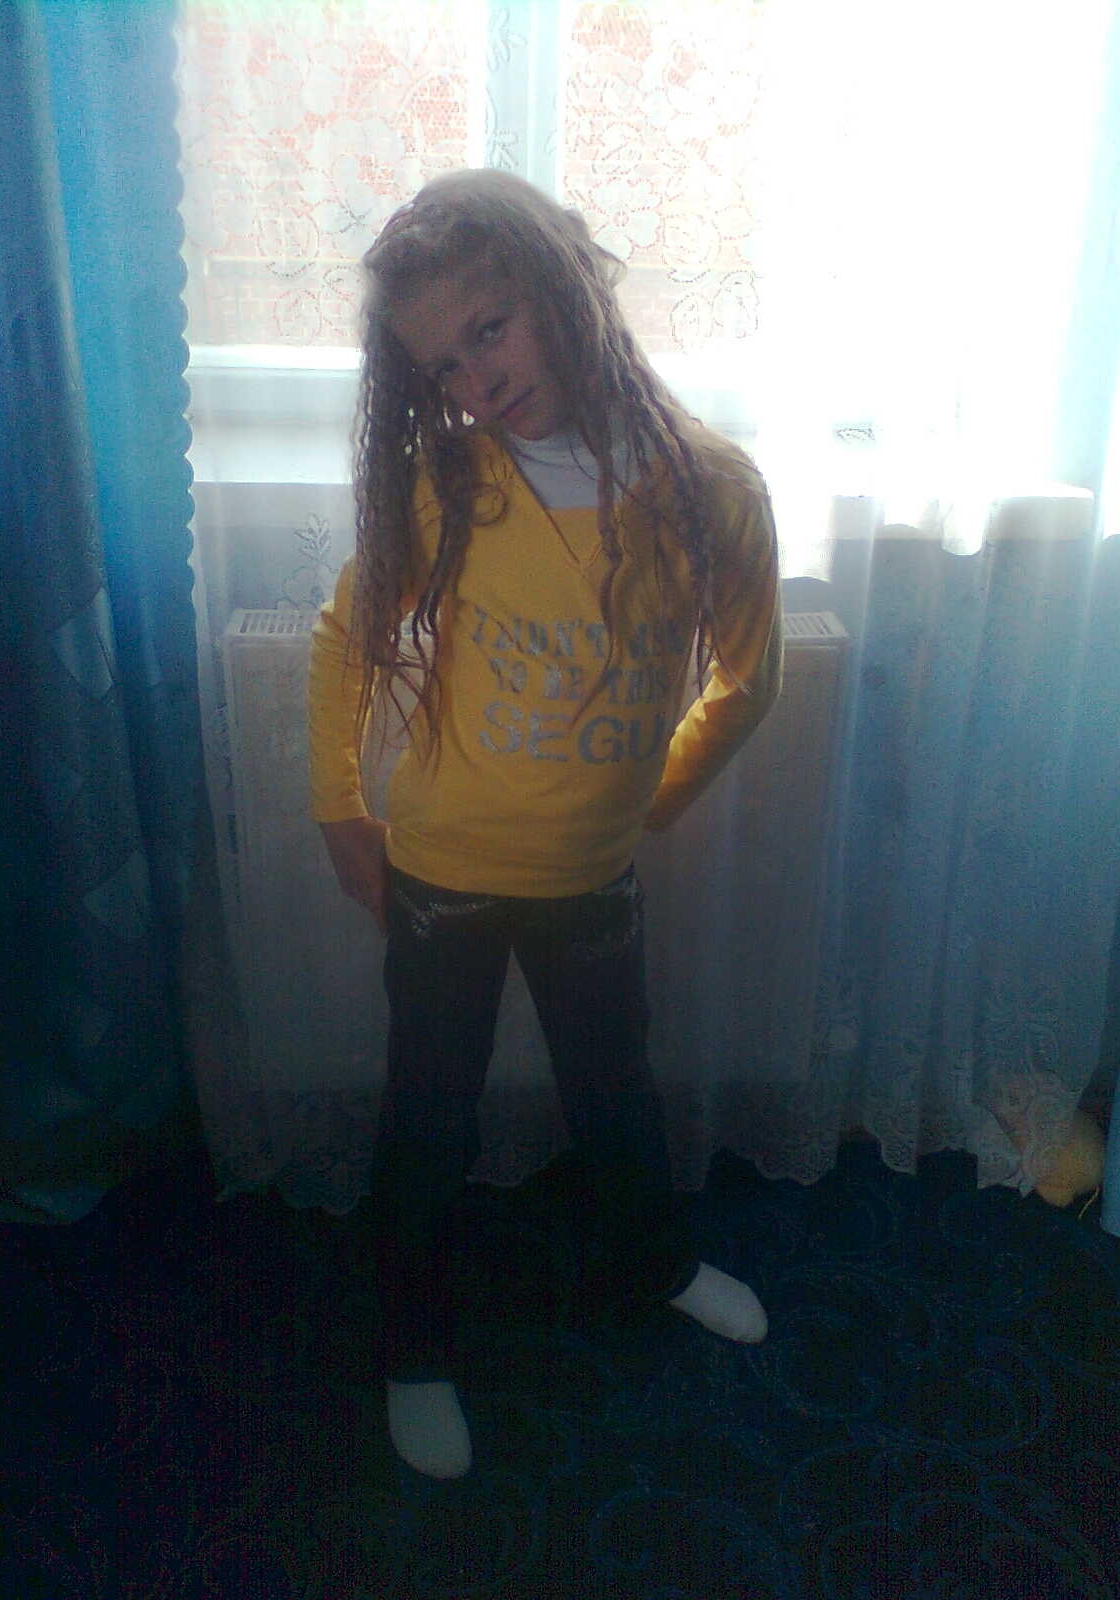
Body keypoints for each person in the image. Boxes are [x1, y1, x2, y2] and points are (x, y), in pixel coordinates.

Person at [308, 169, 783, 1480]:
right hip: (444, 874)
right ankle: (413, 1342)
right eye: (444, 365)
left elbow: (751, 679)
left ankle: (656, 1261)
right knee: (431, 1114)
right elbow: (349, 637)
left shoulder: (713, 489)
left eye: (491, 329)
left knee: (614, 1089)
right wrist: (339, 803)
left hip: (592, 878)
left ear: (564, 287)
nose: (476, 379)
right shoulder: (449, 485)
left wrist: (653, 799)